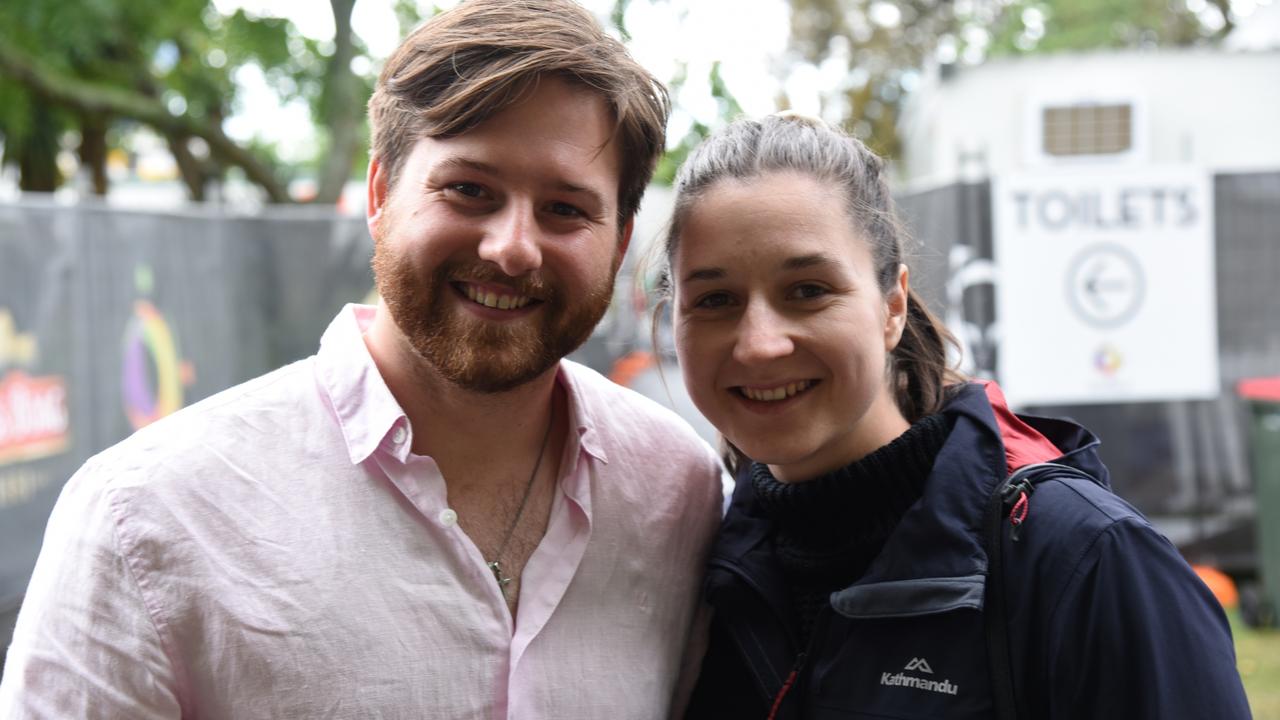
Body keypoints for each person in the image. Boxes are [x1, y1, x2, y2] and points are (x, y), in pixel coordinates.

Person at [0, 1, 723, 717]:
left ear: (621, 242)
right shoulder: (145, 519)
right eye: (469, 190)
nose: (512, 247)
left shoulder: (678, 492)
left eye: (566, 209)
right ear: (379, 194)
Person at [659, 114, 1252, 719]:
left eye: (808, 290)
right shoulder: (696, 563)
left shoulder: (1087, 561)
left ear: (891, 306)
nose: (759, 344)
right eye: (715, 300)